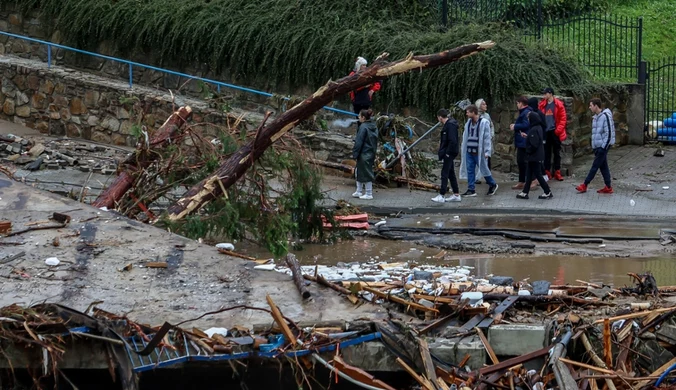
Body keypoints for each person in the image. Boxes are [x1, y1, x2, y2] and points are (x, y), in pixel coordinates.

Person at [576, 98, 615, 194]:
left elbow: (609, 133)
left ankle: (585, 184)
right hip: (597, 146)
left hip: (602, 147)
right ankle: (608, 186)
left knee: (595, 166)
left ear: (596, 106)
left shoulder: (605, 116)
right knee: (603, 167)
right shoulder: (595, 118)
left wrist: (603, 147)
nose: (589, 108)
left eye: (591, 105)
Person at [460, 105, 498, 197]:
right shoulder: (468, 122)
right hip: (469, 150)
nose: (467, 114)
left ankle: (492, 184)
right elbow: (466, 135)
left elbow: (486, 138)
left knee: (484, 169)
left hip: (479, 152)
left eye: (468, 112)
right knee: (470, 170)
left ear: (473, 112)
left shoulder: (484, 122)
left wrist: (487, 152)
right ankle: (471, 189)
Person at [517, 112, 553, 200]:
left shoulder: (533, 129)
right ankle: (525, 192)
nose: (528, 120)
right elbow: (535, 140)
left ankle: (547, 191)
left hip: (534, 156)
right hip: (536, 156)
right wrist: (527, 136)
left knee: (538, 175)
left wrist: (528, 150)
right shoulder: (538, 128)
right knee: (529, 175)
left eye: (529, 118)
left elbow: (534, 144)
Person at [431, 109, 461, 203]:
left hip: (449, 153)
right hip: (449, 152)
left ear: (440, 117)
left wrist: (447, 153)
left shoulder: (450, 125)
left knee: (445, 173)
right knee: (451, 173)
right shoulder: (449, 124)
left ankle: (442, 195)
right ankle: (456, 194)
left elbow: (452, 140)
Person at [539, 87, 567, 181]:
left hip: (555, 132)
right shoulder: (543, 104)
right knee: (546, 153)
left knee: (556, 152)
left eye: (545, 93)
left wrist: (557, 131)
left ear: (550, 94)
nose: (544, 95)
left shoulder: (558, 104)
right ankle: (547, 171)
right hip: (546, 132)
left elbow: (563, 119)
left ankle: (557, 171)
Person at [352, 109, 379, 200]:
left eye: (359, 116)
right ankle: (359, 191)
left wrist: (355, 153)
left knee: (366, 172)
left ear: (363, 117)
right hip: (370, 152)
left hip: (363, 152)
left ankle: (368, 193)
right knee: (359, 171)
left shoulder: (363, 127)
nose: (358, 117)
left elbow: (359, 142)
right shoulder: (373, 126)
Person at [509, 96, 532, 190]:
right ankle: (522, 181)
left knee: (524, 162)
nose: (517, 105)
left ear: (521, 103)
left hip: (524, 141)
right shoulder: (524, 112)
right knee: (520, 162)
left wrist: (515, 126)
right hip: (521, 141)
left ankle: (528, 181)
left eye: (517, 103)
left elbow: (526, 124)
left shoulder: (526, 112)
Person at [475, 98, 494, 171]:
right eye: (483, 104)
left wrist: (491, 135)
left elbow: (491, 125)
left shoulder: (487, 115)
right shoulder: (475, 115)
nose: (485, 105)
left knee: (488, 158)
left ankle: (488, 176)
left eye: (485, 104)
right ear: (479, 106)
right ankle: (477, 176)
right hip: (478, 141)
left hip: (487, 140)